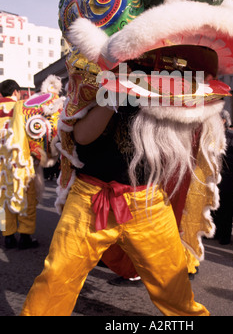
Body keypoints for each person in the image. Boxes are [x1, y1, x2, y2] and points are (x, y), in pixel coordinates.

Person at [20, 104, 209, 316]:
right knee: (58, 275)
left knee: (173, 285)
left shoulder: (164, 80)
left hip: (147, 203)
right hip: (90, 198)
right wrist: (113, 94)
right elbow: (81, 137)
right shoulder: (91, 78)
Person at [0, 80, 38, 250]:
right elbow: (34, 131)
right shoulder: (23, 107)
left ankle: (8, 237)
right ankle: (25, 236)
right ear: (16, 92)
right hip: (20, 161)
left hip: (1, 165)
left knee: (3, 200)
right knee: (25, 197)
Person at [213, 110, 233, 244]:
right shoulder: (213, 135)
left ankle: (225, 235)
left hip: (229, 177)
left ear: (223, 121)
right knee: (215, 205)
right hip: (215, 176)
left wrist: (224, 158)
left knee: (226, 206)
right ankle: (216, 232)